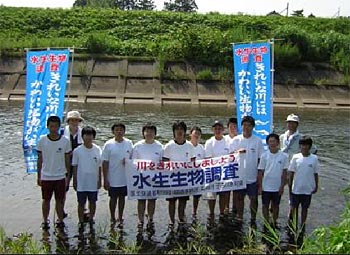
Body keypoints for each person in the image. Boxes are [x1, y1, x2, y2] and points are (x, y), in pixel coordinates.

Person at [37, 115, 71, 230]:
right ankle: (45, 220)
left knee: (60, 200)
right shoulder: (42, 140)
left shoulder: (65, 141)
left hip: (60, 176)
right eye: (51, 126)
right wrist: (39, 176)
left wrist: (67, 176)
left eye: (56, 126)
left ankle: (60, 220)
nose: (53, 129)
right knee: (46, 200)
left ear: (59, 127)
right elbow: (40, 159)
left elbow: (67, 160)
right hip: (46, 176)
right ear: (47, 127)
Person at [230, 116, 264, 226]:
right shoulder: (236, 140)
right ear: (242, 126)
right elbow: (229, 157)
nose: (246, 127)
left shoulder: (258, 141)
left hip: (252, 176)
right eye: (244, 125)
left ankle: (253, 218)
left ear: (253, 127)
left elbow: (260, 160)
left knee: (253, 199)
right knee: (239, 198)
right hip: (239, 175)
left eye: (249, 125)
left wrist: (260, 178)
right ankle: (240, 216)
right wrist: (236, 152)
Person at [163, 121, 195, 230]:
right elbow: (164, 163)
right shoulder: (168, 146)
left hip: (185, 178)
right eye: (177, 129)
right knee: (172, 201)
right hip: (172, 179)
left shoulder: (189, 145)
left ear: (185, 132)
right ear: (174, 132)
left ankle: (181, 218)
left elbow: (193, 162)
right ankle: (171, 220)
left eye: (182, 129)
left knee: (183, 201)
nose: (179, 131)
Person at [132, 123, 163, 231]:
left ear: (155, 133)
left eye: (151, 131)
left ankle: (150, 218)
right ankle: (140, 220)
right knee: (141, 200)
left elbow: (162, 163)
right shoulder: (137, 146)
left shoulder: (159, 146)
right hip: (141, 178)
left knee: (152, 200)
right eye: (147, 131)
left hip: (154, 178)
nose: (149, 134)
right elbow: (133, 163)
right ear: (143, 133)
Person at [102, 122, 133, 228]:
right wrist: (105, 179)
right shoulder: (108, 144)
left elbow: (133, 159)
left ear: (124, 131)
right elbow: (104, 162)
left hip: (124, 177)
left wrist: (128, 161)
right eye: (117, 130)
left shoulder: (129, 143)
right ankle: (112, 217)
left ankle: (120, 216)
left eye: (121, 130)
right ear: (113, 132)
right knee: (113, 198)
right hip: (113, 177)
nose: (119, 132)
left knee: (122, 198)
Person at [72, 126, 102, 231]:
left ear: (93, 137)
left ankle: (91, 218)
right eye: (86, 135)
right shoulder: (77, 151)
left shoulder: (97, 149)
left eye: (90, 135)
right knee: (81, 203)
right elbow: (74, 166)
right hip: (81, 181)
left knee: (93, 202)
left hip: (93, 181)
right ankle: (80, 220)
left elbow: (99, 166)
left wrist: (100, 180)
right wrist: (74, 181)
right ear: (82, 136)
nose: (88, 137)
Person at [288, 136, 319, 234]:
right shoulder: (295, 157)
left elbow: (316, 173)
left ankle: (302, 225)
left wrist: (316, 186)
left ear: (310, 146)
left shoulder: (314, 158)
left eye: (306, 145)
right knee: (293, 208)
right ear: (300, 146)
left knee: (305, 209)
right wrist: (289, 186)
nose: (304, 147)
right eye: (302, 145)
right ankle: (291, 225)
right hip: (296, 188)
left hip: (307, 189)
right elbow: (291, 172)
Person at [257, 133, 288, 231]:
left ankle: (274, 221)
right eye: (270, 141)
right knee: (265, 205)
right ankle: (266, 222)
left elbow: (284, 173)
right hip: (266, 186)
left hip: (277, 186)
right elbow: (260, 172)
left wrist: (282, 186)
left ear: (278, 142)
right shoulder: (264, 156)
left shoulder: (284, 156)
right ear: (267, 143)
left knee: (276, 205)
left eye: (274, 141)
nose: (272, 143)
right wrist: (260, 186)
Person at [204, 120, 231, 226]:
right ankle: (211, 214)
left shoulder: (228, 141)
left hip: (224, 173)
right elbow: (208, 158)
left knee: (223, 195)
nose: (218, 130)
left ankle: (221, 213)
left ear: (223, 130)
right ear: (212, 130)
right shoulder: (209, 142)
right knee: (211, 196)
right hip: (212, 172)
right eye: (216, 128)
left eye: (220, 128)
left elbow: (232, 156)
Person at [63, 110, 84, 218]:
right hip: (65, 164)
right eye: (72, 120)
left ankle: (83, 209)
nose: (74, 122)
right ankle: (61, 209)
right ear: (68, 121)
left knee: (80, 186)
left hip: (79, 164)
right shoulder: (62, 133)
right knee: (64, 186)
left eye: (76, 120)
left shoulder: (83, 132)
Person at [189, 126, 205, 220]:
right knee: (183, 196)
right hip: (186, 174)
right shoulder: (186, 146)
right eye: (195, 134)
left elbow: (206, 161)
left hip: (197, 174)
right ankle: (182, 213)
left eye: (198, 134)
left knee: (196, 196)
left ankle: (194, 212)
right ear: (190, 134)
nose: (196, 136)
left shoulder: (201, 148)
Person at [224, 117, 238, 215]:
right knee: (226, 190)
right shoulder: (224, 139)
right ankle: (226, 207)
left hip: (238, 168)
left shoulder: (240, 138)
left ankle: (235, 208)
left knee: (237, 190)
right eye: (231, 126)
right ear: (227, 127)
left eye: (234, 126)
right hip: (226, 168)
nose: (232, 128)